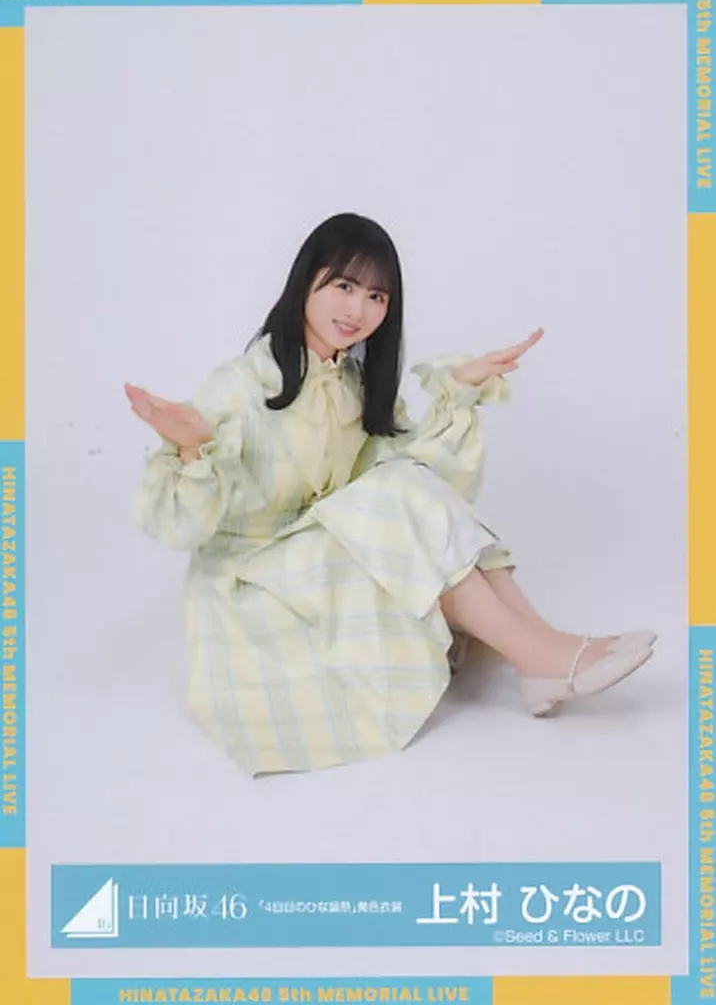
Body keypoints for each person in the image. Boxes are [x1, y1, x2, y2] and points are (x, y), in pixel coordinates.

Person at [126, 212, 656, 777]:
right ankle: (537, 658)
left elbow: (411, 473)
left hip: (317, 561)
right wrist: (191, 449)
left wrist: (460, 390)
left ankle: (544, 643)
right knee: (398, 492)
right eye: (344, 286)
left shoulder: (352, 386)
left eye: (377, 296)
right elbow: (182, 527)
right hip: (251, 580)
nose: (358, 310)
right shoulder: (239, 385)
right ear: (306, 281)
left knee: (410, 486)